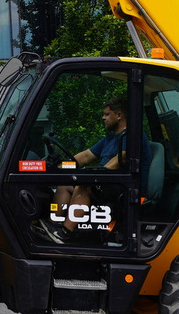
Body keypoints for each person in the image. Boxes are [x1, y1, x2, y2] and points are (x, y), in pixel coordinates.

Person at [36, 95, 140, 245]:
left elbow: (120, 160)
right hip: (105, 182)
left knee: (84, 185)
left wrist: (95, 175)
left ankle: (65, 232)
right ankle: (53, 227)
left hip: (122, 186)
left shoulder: (132, 136)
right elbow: (84, 157)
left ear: (119, 115)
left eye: (106, 114)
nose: (103, 118)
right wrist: (62, 167)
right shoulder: (109, 138)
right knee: (65, 185)